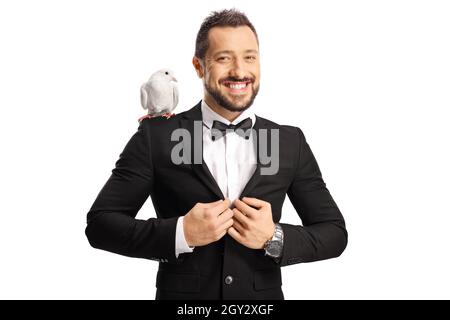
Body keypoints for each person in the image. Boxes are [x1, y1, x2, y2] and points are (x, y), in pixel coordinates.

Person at [85, 8, 348, 300]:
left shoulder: (289, 141)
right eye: (224, 58)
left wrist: (273, 238)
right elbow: (101, 224)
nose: (240, 71)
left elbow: (334, 233)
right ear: (199, 67)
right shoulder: (156, 136)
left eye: (249, 57)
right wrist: (181, 232)